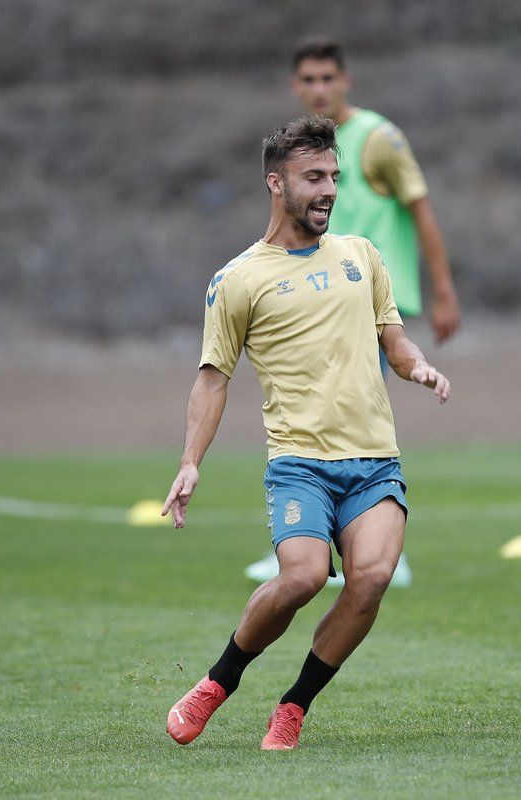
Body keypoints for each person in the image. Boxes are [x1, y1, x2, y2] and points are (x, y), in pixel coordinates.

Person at [163, 116, 450, 751]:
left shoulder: (361, 257)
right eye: (312, 177)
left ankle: (293, 705)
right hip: (301, 464)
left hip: (375, 460)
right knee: (302, 577)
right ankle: (217, 683)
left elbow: (393, 337)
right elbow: (213, 379)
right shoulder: (238, 279)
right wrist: (190, 461)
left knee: (370, 579)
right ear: (276, 182)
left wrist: (417, 366)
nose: (327, 190)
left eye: (334, 178)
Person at [245, 36, 461, 585]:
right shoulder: (301, 154)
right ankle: (307, 539)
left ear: (346, 81)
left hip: (366, 297)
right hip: (315, 298)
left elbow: (422, 210)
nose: (318, 88)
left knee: (357, 414)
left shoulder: (378, 138)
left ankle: (378, 545)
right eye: (308, 80)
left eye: (327, 78)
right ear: (296, 86)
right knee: (313, 404)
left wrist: (442, 290)